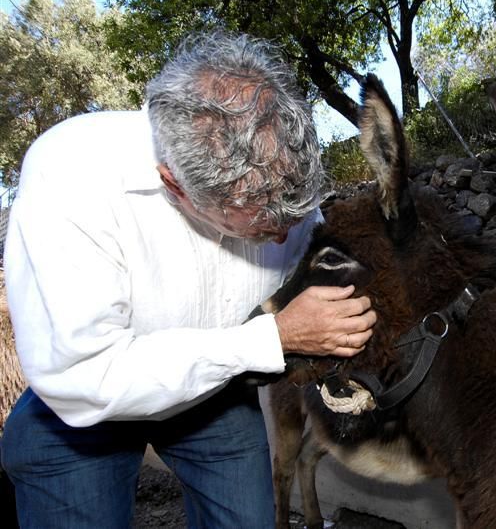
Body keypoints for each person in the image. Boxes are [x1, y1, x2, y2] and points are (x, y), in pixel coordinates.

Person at [0, 30, 377, 528]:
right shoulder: (71, 178)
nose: (286, 231)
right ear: (175, 185)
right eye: (263, 225)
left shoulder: (277, 188)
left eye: (297, 212)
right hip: (87, 407)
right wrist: (274, 338)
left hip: (211, 397)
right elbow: (89, 373)